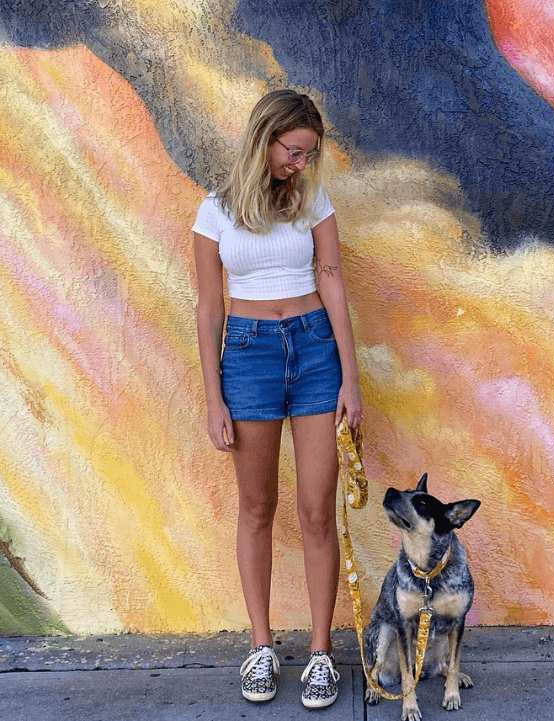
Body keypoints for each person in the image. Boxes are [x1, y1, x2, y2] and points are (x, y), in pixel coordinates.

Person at [191, 89, 362, 708]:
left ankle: (321, 654)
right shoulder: (214, 211)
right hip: (248, 355)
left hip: (315, 349)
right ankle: (261, 648)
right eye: (294, 151)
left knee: (316, 509)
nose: (300, 163)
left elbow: (334, 280)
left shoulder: (312, 200)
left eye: (308, 154)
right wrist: (213, 398)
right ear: (265, 137)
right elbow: (211, 309)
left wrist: (351, 376)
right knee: (257, 507)